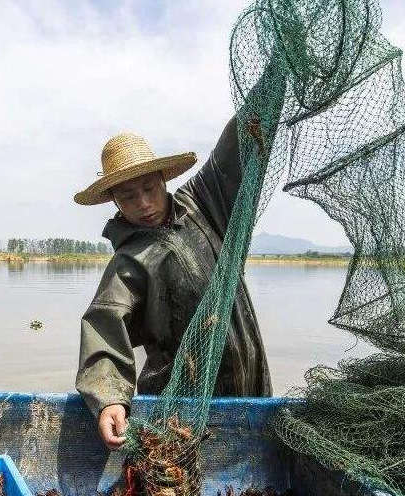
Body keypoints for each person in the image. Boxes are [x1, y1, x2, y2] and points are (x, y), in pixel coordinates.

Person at [74, 118, 271, 450]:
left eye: (149, 188)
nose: (144, 204)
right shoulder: (128, 262)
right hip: (178, 407)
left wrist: (255, 111)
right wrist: (110, 399)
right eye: (129, 196)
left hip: (251, 384)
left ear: (163, 179)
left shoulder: (203, 204)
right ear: (114, 201)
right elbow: (104, 324)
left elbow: (230, 156)